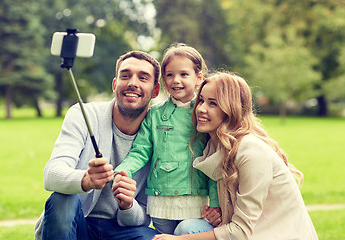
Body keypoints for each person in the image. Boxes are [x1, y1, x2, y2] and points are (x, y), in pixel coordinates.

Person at [152, 71, 318, 240]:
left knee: (185, 233)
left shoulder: (251, 152)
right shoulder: (214, 147)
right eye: (201, 100)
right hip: (251, 232)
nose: (201, 109)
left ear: (231, 109)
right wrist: (217, 213)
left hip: (275, 235)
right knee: (189, 227)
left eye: (213, 104)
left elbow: (239, 232)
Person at [34, 50, 162, 240]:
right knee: (62, 198)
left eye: (143, 78)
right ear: (114, 84)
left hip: (121, 231)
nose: (132, 83)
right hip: (78, 224)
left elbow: (143, 217)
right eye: (125, 76)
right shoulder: (83, 114)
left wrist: (128, 205)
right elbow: (51, 174)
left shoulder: (161, 136)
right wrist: (85, 180)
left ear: (155, 91)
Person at [114, 43, 221, 235]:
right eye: (169, 75)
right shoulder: (154, 114)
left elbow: (212, 162)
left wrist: (215, 203)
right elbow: (140, 151)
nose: (176, 80)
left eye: (183, 74)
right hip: (160, 199)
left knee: (186, 233)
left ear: (198, 78)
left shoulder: (204, 115)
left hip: (197, 200)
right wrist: (123, 170)